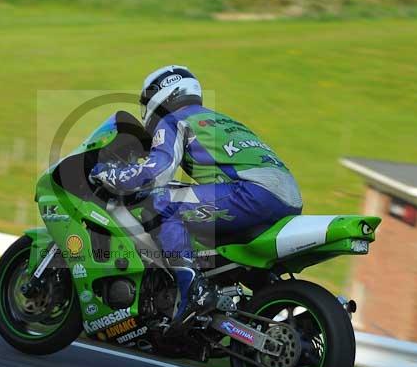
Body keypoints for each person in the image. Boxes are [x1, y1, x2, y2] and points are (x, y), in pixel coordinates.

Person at [89, 65, 303, 333]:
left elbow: (158, 172)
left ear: (161, 93)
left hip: (252, 192)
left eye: (147, 102)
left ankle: (192, 290)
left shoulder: (174, 119)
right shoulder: (219, 119)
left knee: (160, 203)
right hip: (288, 197)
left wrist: (111, 174)